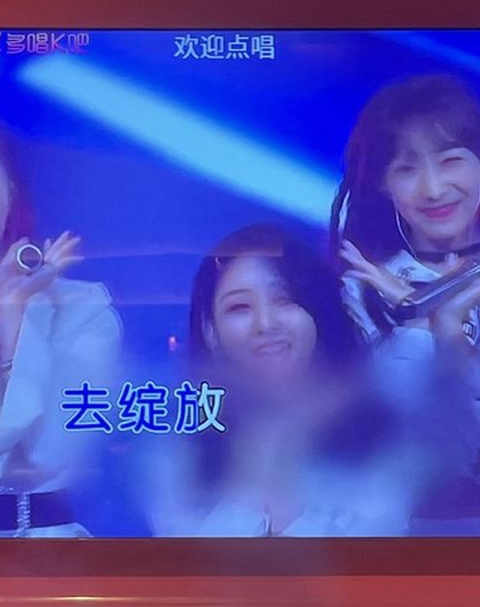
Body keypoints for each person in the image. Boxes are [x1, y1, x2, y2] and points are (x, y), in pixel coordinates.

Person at [144, 224, 415, 537]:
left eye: (284, 300)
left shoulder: (378, 441)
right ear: (210, 331)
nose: (266, 324)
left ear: (317, 312)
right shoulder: (178, 459)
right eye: (240, 307)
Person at [329, 75, 480, 437]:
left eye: (450, 161)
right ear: (383, 183)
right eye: (407, 169)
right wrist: (418, 320)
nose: (433, 189)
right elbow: (384, 430)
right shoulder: (360, 294)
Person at [0, 115, 125, 537]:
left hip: (55, 551)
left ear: (11, 186)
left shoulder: (84, 308)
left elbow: (54, 449)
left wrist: (13, 317)